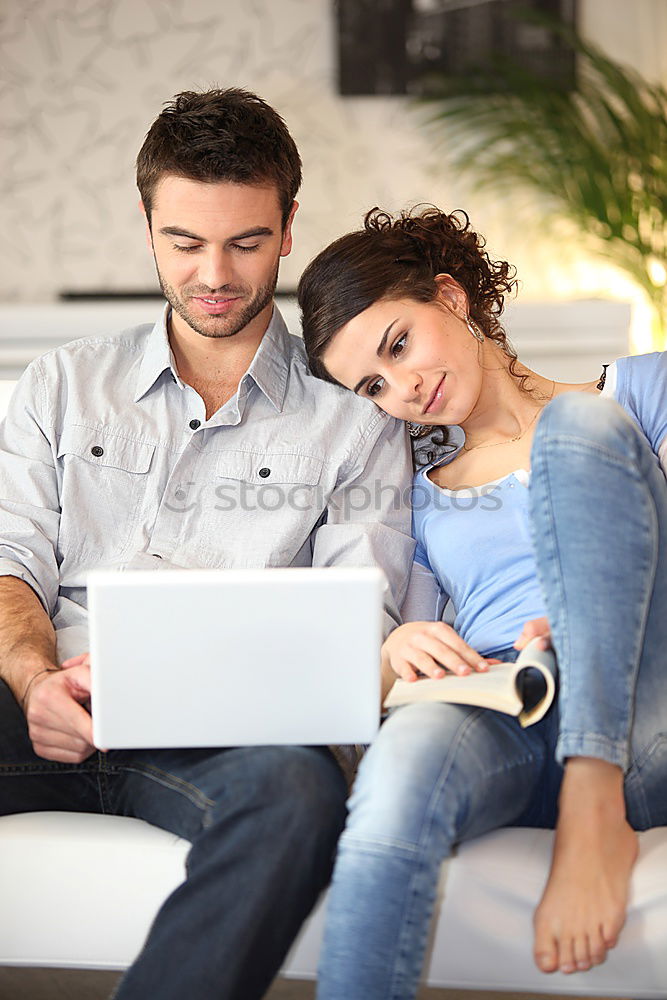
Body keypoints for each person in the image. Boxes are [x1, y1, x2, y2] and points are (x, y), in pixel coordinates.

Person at [0, 92, 415, 1000]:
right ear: (147, 226)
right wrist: (35, 680)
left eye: (246, 242)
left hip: (226, 739)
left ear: (289, 225)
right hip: (41, 697)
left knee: (299, 795)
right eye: (184, 243)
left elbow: (359, 625)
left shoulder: (355, 419)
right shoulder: (61, 383)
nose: (215, 273)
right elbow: (9, 563)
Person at [297, 206, 667, 998]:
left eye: (397, 345)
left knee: (578, 425)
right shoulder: (422, 499)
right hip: (511, 702)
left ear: (450, 297)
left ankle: (592, 798)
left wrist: (581, 614)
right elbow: (410, 651)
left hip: (646, 701)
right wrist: (394, 652)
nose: (402, 390)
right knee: (399, 773)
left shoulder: (641, 392)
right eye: (372, 386)